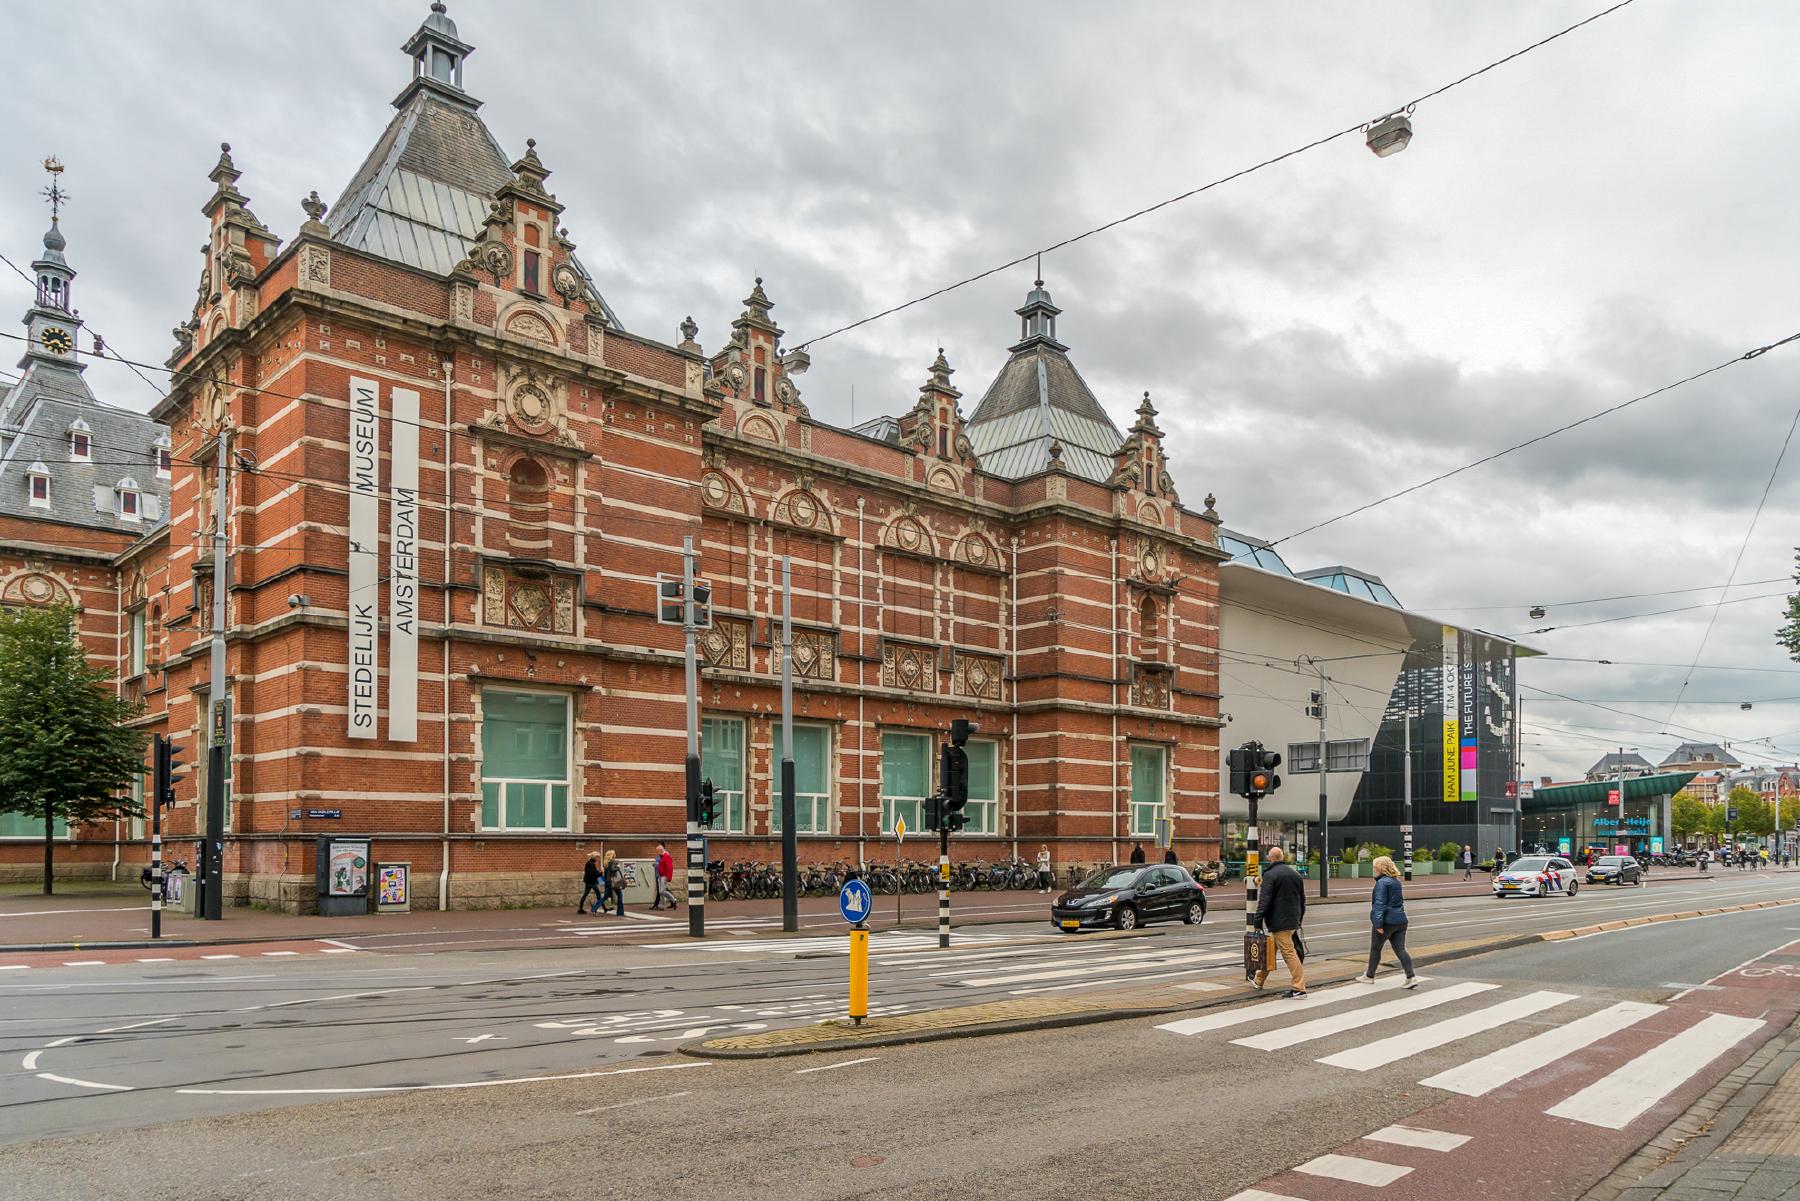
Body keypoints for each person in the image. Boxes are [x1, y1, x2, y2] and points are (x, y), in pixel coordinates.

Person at [1252, 846, 1307, 998]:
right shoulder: (1295, 874)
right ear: (1282, 857)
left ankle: (1299, 987)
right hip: (1292, 920)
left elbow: (1264, 901)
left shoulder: (1270, 875)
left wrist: (1257, 921)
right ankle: (1258, 980)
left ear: (1271, 858)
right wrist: (1299, 919)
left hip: (1279, 921)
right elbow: (1302, 900)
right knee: (1270, 950)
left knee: (1289, 953)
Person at [1356, 856, 1418, 988]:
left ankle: (1369, 976)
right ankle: (1411, 977)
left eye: (1374, 867)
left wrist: (1378, 924)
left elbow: (1379, 904)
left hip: (1386, 922)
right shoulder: (1396, 881)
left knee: (1375, 948)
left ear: (1380, 868)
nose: (1373, 869)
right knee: (1401, 949)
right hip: (1400, 920)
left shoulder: (1382, 883)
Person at [653, 842, 679, 909]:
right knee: (661, 891)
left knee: (662, 891)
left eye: (657, 851)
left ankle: (673, 900)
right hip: (660, 875)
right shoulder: (662, 857)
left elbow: (669, 868)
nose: (657, 853)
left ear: (660, 850)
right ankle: (661, 905)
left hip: (664, 876)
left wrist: (668, 877)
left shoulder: (666, 856)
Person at [578, 850, 603, 915]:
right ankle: (601, 907)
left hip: (588, 881)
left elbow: (590, 873)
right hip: (592, 882)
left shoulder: (588, 863)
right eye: (597, 857)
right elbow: (593, 874)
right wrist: (601, 873)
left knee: (585, 894)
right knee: (598, 894)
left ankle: (580, 908)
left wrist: (598, 872)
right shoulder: (592, 864)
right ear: (595, 857)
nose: (598, 859)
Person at [601, 850, 626, 916]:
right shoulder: (613, 861)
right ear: (612, 855)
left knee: (605, 897)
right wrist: (618, 867)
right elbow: (613, 869)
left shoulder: (606, 863)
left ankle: (594, 908)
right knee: (620, 896)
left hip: (608, 881)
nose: (615, 854)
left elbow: (606, 873)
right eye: (614, 853)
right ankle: (620, 912)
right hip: (614, 882)